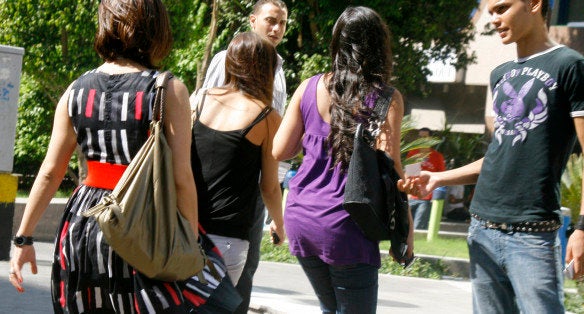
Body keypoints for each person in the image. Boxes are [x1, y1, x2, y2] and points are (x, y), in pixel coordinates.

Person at [7, 0, 226, 312]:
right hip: (143, 221)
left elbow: (50, 172)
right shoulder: (166, 89)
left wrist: (23, 239)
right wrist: (187, 242)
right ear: (155, 27)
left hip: (85, 221)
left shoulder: (76, 90)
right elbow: (180, 178)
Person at [412, 0, 584, 312]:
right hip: (481, 228)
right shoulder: (500, 74)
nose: (494, 19)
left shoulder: (571, 66)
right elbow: (499, 154)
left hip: (532, 234)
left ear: (533, 4)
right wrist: (438, 178)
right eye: (490, 12)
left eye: (502, 8)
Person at [273, 6, 414, 313]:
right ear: (379, 46)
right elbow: (394, 172)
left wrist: (316, 140)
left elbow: (279, 150)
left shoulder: (308, 87)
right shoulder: (386, 98)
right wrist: (406, 233)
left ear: (336, 43)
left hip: (301, 219)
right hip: (348, 229)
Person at [199, 1, 289, 312]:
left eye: (282, 23)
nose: (276, 28)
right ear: (253, 21)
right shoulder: (225, 62)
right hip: (220, 197)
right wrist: (280, 220)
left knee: (245, 270)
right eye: (270, 20)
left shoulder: (279, 71)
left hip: (248, 194)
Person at [406, 127, 446, 229]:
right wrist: (407, 194)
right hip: (412, 196)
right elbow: (410, 175)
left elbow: (441, 177)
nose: (421, 139)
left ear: (430, 139)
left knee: (419, 226)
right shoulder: (413, 154)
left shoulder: (437, 156)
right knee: (405, 225)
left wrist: (435, 196)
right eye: (420, 137)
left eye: (425, 137)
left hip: (427, 196)